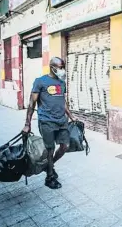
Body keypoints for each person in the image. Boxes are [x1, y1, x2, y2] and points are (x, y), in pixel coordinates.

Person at [22, 57, 76, 189]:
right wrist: (27, 123)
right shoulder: (40, 81)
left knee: (65, 146)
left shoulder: (62, 83)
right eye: (60, 67)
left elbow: (63, 102)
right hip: (47, 121)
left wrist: (71, 116)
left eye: (63, 67)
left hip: (62, 121)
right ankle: (50, 177)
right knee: (50, 149)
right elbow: (31, 103)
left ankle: (48, 165)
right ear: (52, 67)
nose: (62, 70)